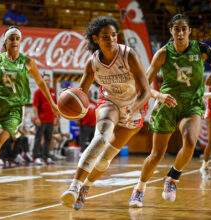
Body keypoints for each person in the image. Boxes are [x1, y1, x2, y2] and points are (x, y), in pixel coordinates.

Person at [128, 14, 211, 208]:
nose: (180, 32)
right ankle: (139, 189)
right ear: (171, 31)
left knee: (191, 142)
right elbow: (144, 86)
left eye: (184, 28)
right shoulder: (163, 53)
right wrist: (158, 96)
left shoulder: (202, 50)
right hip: (168, 105)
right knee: (157, 154)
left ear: (189, 30)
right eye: (177, 29)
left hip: (191, 105)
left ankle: (172, 178)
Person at [60, 16, 151, 209]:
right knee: (101, 139)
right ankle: (73, 187)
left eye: (113, 35)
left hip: (133, 107)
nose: (110, 39)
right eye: (105, 36)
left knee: (105, 158)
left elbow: (146, 91)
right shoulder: (92, 63)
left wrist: (133, 108)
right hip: (109, 102)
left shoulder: (129, 55)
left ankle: (86, 186)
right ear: (96, 39)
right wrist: (70, 106)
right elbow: (81, 93)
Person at [0, 25, 59, 200]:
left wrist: (52, 103)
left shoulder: (27, 62)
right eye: (11, 38)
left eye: (17, 39)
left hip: (13, 111)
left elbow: (41, 83)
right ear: (5, 42)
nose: (14, 41)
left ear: (20, 42)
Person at [32, 73, 57, 165]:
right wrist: (37, 118)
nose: (47, 82)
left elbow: (55, 105)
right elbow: (35, 106)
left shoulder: (53, 91)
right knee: (38, 138)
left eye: (48, 80)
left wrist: (56, 117)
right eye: (45, 80)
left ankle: (45, 157)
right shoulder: (38, 91)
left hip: (50, 120)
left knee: (48, 139)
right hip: (41, 119)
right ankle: (36, 156)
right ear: (42, 81)